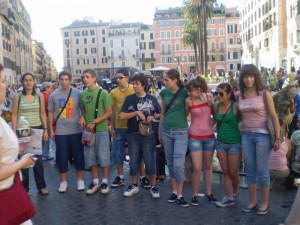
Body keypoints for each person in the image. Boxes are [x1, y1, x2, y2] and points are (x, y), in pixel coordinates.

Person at [238, 64, 280, 215]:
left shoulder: (264, 94)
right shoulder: (240, 95)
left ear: (256, 77)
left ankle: (264, 203)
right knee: (250, 170)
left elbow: (274, 116)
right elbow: (239, 115)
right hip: (246, 136)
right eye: (245, 76)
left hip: (263, 135)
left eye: (251, 76)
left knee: (262, 170)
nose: (248, 79)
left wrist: (278, 137)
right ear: (242, 78)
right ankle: (253, 201)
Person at [0, 64, 35, 225]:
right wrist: (22, 162)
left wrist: (16, 149)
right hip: (5, 198)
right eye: (1, 81)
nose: (5, 85)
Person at [120, 74, 161, 198]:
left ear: (143, 85)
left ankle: (153, 186)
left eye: (137, 83)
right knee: (134, 160)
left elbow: (160, 113)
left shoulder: (152, 99)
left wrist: (152, 117)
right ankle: (134, 185)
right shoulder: (129, 99)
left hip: (148, 134)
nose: (134, 86)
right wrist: (136, 112)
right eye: (133, 83)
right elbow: (122, 115)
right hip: (133, 134)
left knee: (150, 160)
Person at [110, 68, 150, 189]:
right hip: (119, 126)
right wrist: (112, 127)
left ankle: (142, 177)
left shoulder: (135, 89)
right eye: (116, 77)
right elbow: (112, 111)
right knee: (118, 153)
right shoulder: (113, 93)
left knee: (138, 153)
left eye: (120, 77)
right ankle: (120, 177)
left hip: (134, 127)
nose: (117, 79)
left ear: (127, 78)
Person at [11, 72, 49, 195]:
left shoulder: (39, 96)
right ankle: (24, 188)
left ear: (33, 82)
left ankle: (41, 186)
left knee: (37, 160)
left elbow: (43, 113)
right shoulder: (17, 96)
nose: (28, 82)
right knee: (23, 160)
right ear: (23, 82)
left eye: (30, 80)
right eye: (26, 80)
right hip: (22, 131)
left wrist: (46, 129)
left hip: (37, 129)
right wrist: (13, 132)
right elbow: (14, 115)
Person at [48, 71, 85, 193]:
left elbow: (83, 109)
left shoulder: (78, 93)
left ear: (70, 80)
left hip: (76, 130)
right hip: (60, 131)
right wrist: (50, 130)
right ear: (59, 80)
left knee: (78, 156)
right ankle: (63, 182)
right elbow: (50, 113)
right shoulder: (53, 95)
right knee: (62, 157)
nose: (64, 82)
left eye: (66, 79)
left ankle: (80, 181)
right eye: (61, 79)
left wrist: (82, 117)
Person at [185, 77, 218, 206]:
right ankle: (195, 194)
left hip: (209, 136)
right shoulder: (188, 101)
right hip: (194, 137)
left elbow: (215, 116)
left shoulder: (209, 97)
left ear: (198, 90)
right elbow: (184, 117)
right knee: (197, 168)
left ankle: (209, 193)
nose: (188, 93)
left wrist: (212, 105)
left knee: (208, 166)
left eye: (190, 91)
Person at [159, 69, 189, 207]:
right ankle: (175, 191)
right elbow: (163, 113)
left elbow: (189, 110)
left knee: (178, 163)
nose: (164, 82)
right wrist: (159, 130)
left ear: (175, 80)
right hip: (166, 130)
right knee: (170, 162)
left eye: (166, 80)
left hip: (181, 131)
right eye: (164, 79)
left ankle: (181, 194)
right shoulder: (163, 93)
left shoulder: (184, 92)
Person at [79, 69, 112, 195]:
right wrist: (82, 117)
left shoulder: (103, 93)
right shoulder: (82, 94)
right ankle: (95, 181)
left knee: (103, 156)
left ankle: (104, 181)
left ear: (94, 78)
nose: (85, 79)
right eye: (84, 77)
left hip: (102, 130)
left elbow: (109, 112)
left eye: (87, 77)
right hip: (88, 132)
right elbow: (83, 110)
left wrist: (94, 121)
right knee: (90, 157)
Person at [213, 83, 241, 207]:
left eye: (221, 93)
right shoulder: (215, 106)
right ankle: (229, 197)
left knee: (233, 172)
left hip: (235, 142)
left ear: (229, 94)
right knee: (225, 171)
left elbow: (244, 121)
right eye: (216, 93)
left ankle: (235, 192)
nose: (218, 96)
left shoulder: (236, 106)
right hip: (221, 142)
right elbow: (215, 120)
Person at [41, 82, 54, 161]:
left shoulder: (41, 96)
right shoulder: (48, 97)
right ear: (47, 88)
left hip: (42, 118)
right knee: (47, 137)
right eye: (51, 88)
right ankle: (45, 154)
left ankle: (44, 154)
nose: (52, 89)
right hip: (47, 117)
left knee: (44, 136)